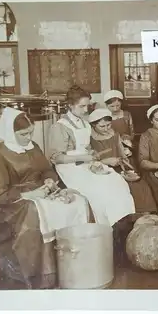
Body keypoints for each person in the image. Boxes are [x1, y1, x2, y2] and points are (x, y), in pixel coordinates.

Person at [0, 107, 91, 289]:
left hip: (41, 191)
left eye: (31, 133)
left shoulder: (33, 147)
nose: (29, 138)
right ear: (9, 133)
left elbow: (46, 169)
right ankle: (42, 274)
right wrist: (30, 195)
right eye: (23, 134)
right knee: (35, 210)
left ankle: (77, 262)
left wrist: (50, 180)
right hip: (14, 204)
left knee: (79, 200)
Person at [47, 85, 136, 229]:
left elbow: (87, 147)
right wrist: (84, 158)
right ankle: (103, 227)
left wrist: (93, 156)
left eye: (87, 106)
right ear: (70, 105)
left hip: (86, 163)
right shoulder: (60, 127)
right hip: (69, 168)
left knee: (116, 181)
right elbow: (56, 158)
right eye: (82, 106)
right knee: (99, 189)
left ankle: (120, 224)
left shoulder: (84, 123)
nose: (85, 110)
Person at [89, 108, 157, 215]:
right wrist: (105, 162)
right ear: (93, 125)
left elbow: (122, 154)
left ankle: (145, 217)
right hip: (101, 171)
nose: (106, 129)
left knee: (141, 186)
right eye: (102, 126)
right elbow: (90, 161)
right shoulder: (89, 139)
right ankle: (128, 217)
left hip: (120, 167)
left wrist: (125, 154)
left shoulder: (114, 134)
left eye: (109, 125)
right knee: (121, 188)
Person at [103, 90, 136, 157]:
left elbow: (132, 131)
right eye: (112, 106)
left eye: (117, 105)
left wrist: (129, 138)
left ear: (121, 103)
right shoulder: (104, 117)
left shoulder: (127, 115)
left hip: (126, 143)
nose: (115, 109)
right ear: (106, 105)